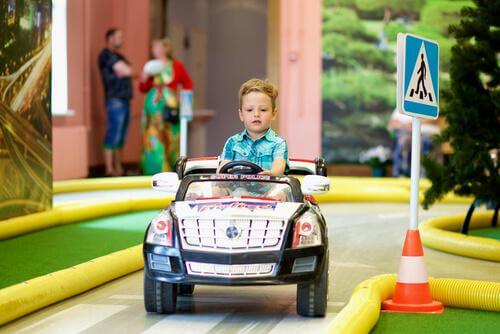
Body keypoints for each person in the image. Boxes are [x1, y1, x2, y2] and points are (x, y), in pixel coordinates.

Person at [139, 38, 193, 174]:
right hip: (154, 113)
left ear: (165, 48)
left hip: (170, 111)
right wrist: (144, 76)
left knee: (171, 141)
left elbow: (188, 84)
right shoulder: (150, 66)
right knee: (153, 140)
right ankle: (154, 173)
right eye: (153, 47)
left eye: (157, 47)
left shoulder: (176, 65)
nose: (154, 50)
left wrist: (183, 101)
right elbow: (142, 88)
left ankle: (172, 173)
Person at [218, 78, 289, 176]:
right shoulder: (233, 142)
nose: (256, 114)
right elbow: (221, 170)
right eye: (249, 110)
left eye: (263, 110)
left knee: (281, 192)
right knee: (217, 189)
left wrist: (271, 173)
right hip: (237, 189)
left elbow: (279, 167)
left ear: (273, 114)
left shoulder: (278, 143)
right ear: (241, 115)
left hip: (269, 189)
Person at [98, 28, 133, 177]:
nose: (121, 39)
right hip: (115, 100)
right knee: (113, 133)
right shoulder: (105, 55)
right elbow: (126, 71)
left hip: (124, 99)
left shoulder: (119, 56)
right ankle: (109, 169)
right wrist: (123, 70)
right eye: (118, 36)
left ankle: (118, 167)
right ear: (110, 38)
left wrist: (124, 70)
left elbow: (129, 70)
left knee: (121, 135)